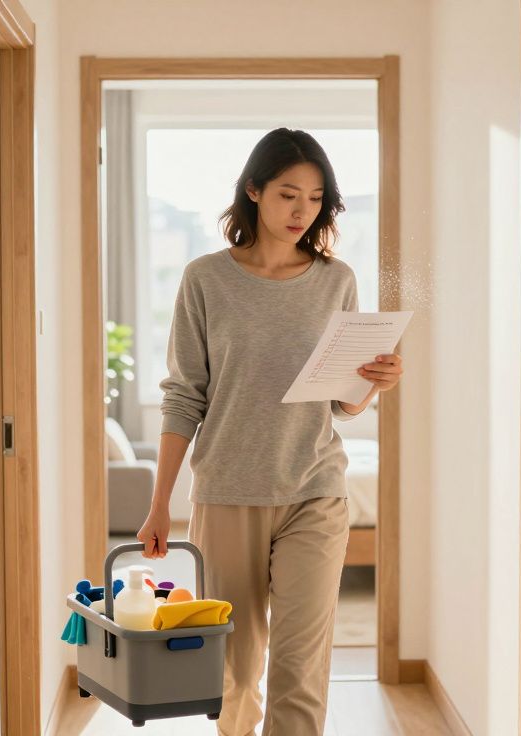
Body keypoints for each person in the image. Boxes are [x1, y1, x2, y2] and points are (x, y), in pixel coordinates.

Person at [136, 128, 404, 735]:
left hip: (316, 487)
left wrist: (375, 382)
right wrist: (159, 507)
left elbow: (340, 402)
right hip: (229, 490)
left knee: (300, 664)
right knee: (233, 668)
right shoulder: (205, 280)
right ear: (253, 190)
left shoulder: (337, 280)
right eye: (288, 194)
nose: (301, 211)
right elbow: (184, 398)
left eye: (314, 199)